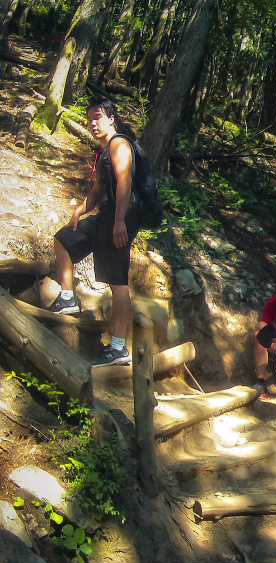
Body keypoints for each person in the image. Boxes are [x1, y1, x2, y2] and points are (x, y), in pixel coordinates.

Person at [48, 98, 142, 367]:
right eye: (89, 118)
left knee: (117, 281)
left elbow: (125, 180)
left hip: (118, 219)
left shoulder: (119, 144)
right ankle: (68, 297)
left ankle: (118, 347)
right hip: (105, 217)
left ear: (111, 119)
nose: (92, 123)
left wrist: (120, 220)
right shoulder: (103, 152)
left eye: (97, 117)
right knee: (63, 239)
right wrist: (80, 210)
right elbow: (100, 189)